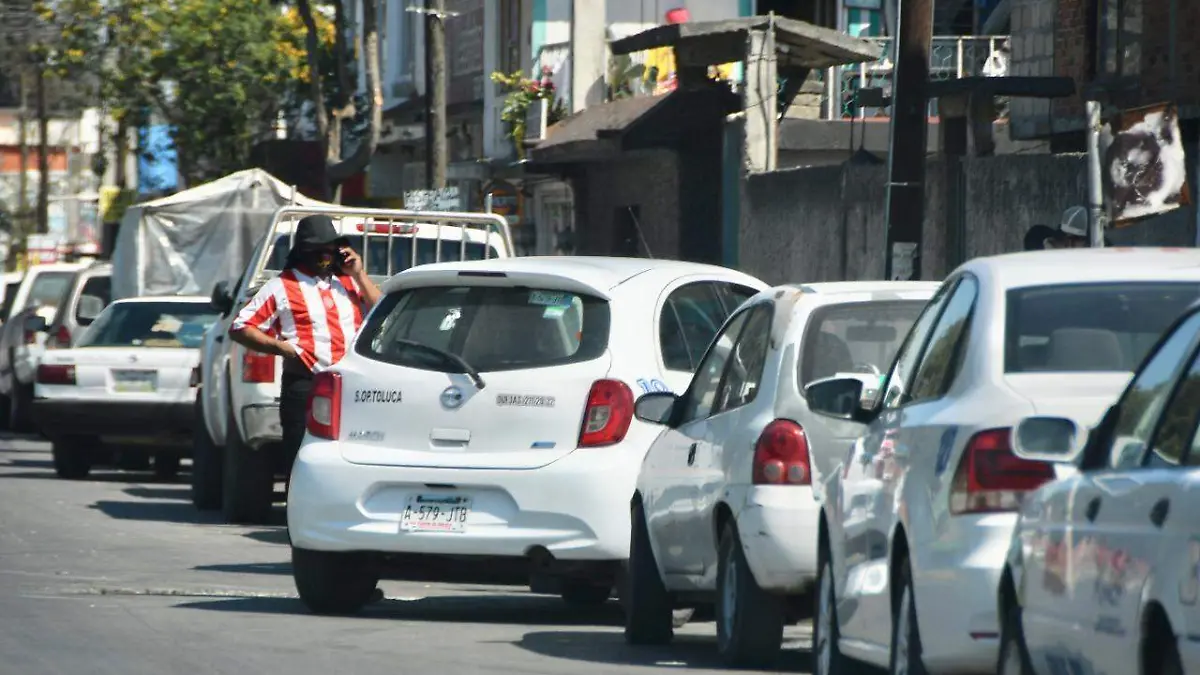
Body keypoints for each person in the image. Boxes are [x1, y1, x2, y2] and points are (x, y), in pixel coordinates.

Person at [228, 214, 383, 479]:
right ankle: (298, 514)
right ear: (303, 251)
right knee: (300, 457)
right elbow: (240, 327)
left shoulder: (348, 283)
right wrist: (281, 348)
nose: (325, 255)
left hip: (351, 384)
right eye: (317, 249)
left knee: (352, 455)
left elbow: (383, 313)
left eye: (330, 248)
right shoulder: (281, 286)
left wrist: (358, 273)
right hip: (305, 384)